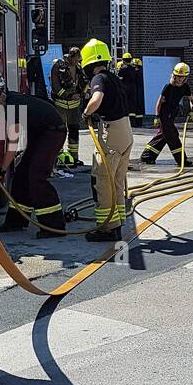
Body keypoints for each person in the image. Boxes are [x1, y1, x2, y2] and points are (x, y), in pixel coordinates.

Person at [0, 78, 67, 236]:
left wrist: (1, 170)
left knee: (36, 176)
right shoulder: (8, 100)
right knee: (22, 175)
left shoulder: (12, 107)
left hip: (53, 132)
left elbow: (12, 146)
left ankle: (54, 225)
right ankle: (16, 220)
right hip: (40, 133)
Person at [80, 38, 133, 242]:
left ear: (89, 63)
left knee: (103, 181)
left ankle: (106, 228)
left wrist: (86, 113)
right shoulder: (113, 77)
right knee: (117, 181)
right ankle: (117, 223)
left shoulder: (98, 79)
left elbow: (96, 99)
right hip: (125, 132)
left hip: (111, 133)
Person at [140, 62, 193, 167]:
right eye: (178, 76)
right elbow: (159, 102)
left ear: (186, 77)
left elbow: (192, 101)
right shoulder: (168, 87)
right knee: (172, 135)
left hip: (172, 114)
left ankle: (147, 156)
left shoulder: (185, 87)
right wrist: (157, 116)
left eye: (182, 77)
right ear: (174, 76)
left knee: (163, 135)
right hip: (164, 114)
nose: (179, 79)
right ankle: (182, 160)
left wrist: (192, 111)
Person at [49, 46, 84, 167]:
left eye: (79, 60)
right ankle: (59, 157)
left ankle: (74, 157)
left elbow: (82, 82)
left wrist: (84, 92)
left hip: (75, 106)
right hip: (61, 104)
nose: (77, 62)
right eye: (76, 60)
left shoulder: (78, 67)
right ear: (70, 56)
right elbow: (56, 87)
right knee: (60, 131)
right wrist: (69, 96)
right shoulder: (58, 67)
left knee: (74, 130)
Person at [117, 53, 143, 127]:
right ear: (131, 60)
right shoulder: (133, 69)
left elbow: (119, 78)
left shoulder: (123, 68)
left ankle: (125, 122)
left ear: (123, 60)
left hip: (125, 88)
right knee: (132, 106)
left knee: (124, 104)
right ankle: (133, 123)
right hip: (133, 88)